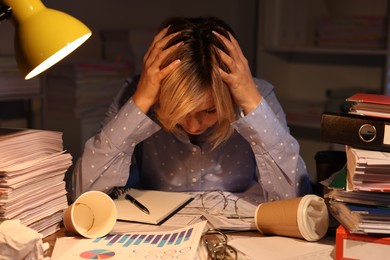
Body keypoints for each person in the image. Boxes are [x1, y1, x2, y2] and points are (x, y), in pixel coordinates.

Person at [69, 16, 312, 203]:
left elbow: (295, 200)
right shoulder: (138, 95)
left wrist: (252, 104)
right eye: (178, 111)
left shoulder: (257, 96)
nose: (193, 126)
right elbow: (82, 196)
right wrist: (140, 102)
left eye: (210, 111)